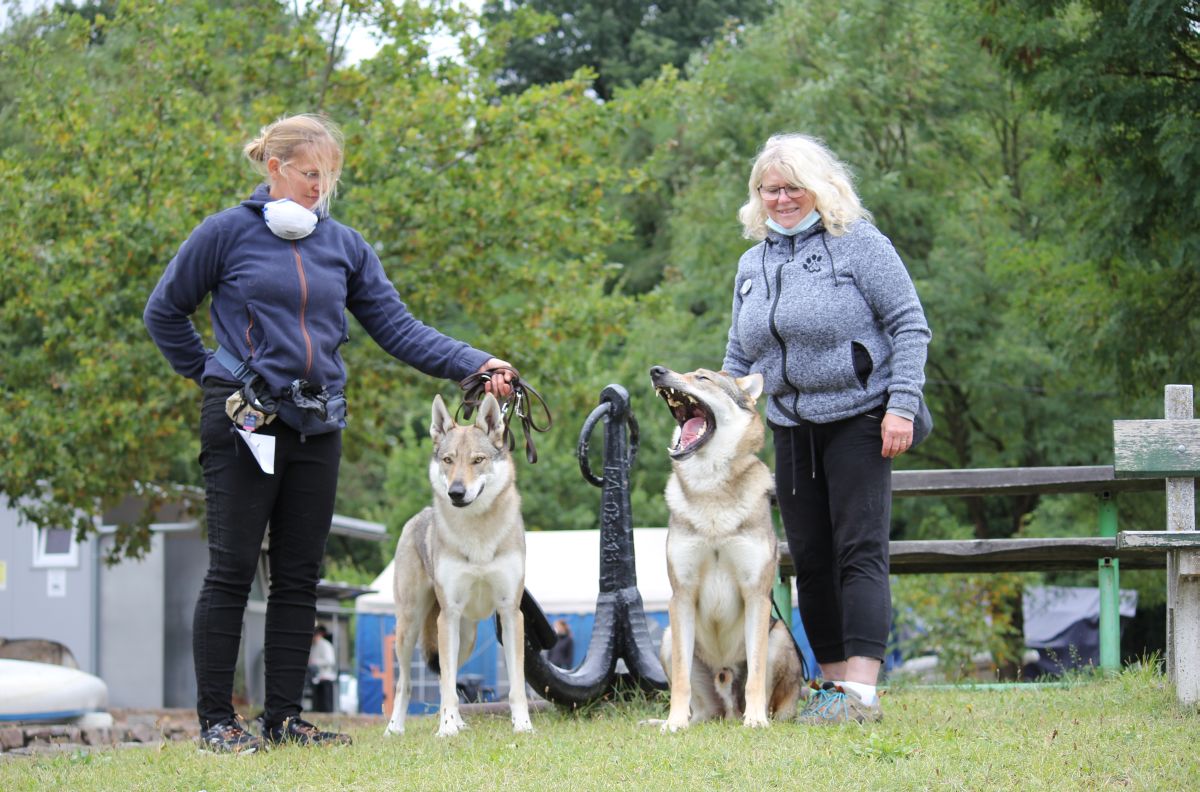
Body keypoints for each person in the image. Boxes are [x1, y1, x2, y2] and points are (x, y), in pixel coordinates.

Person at [144, 113, 515, 753]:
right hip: (244, 424)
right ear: (275, 167)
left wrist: (474, 363)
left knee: (298, 576)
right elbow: (164, 312)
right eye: (310, 174)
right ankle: (215, 723)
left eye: (329, 177)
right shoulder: (225, 233)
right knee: (232, 570)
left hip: (318, 426)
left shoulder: (343, 246)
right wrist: (212, 377)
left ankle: (284, 719)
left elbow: (399, 329)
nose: (320, 188)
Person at [722, 133, 931, 723]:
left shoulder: (857, 243)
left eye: (793, 187)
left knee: (858, 551)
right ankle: (834, 691)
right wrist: (716, 418)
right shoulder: (752, 261)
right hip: (790, 423)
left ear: (819, 188)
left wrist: (901, 405)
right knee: (809, 558)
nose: (782, 199)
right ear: (757, 196)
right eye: (771, 189)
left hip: (863, 416)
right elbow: (739, 354)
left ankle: (863, 690)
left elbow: (910, 325)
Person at [308, 625, 337, 713]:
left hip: (326, 677)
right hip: (316, 677)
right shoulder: (313, 646)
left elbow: (330, 661)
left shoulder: (325, 645)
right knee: (317, 704)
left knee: (325, 705)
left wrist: (315, 662)